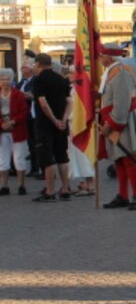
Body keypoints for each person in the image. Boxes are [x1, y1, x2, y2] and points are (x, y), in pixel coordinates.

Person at [98, 45, 136, 210]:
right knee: (119, 159)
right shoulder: (112, 72)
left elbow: (122, 103)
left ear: (110, 57)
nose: (99, 57)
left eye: (102, 55)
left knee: (129, 158)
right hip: (114, 120)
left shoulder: (121, 73)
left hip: (122, 122)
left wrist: (111, 124)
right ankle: (123, 195)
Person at [31, 53, 72, 202]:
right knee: (62, 156)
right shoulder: (61, 79)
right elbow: (69, 101)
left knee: (47, 158)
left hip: (45, 125)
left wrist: (54, 120)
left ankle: (50, 190)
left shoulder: (39, 80)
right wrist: (64, 119)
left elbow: (42, 102)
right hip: (62, 124)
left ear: (38, 64)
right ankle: (66, 189)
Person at [63, 65, 95, 197]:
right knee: (75, 156)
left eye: (71, 73)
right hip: (74, 124)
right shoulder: (74, 89)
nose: (69, 75)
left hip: (80, 126)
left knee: (84, 155)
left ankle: (90, 185)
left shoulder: (81, 90)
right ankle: (83, 183)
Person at [0, 67, 30, 196]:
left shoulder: (18, 94)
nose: (5, 81)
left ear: (12, 80)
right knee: (3, 159)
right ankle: (4, 186)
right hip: (2, 131)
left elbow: (24, 112)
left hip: (17, 129)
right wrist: (2, 124)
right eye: (2, 79)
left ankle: (21, 185)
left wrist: (12, 122)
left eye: (7, 79)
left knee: (19, 158)